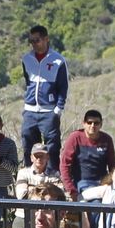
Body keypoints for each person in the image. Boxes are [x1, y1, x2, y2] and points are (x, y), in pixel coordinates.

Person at [20, 24, 68, 159]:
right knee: (27, 142)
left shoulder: (58, 60)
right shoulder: (26, 59)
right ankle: (29, 173)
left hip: (49, 111)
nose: (34, 44)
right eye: (31, 41)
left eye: (37, 40)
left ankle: (52, 174)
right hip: (30, 111)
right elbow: (28, 82)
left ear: (46, 39)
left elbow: (63, 86)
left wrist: (58, 109)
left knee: (52, 146)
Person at [59, 108, 115, 201]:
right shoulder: (75, 137)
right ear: (84, 123)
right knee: (96, 204)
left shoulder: (107, 139)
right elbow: (64, 165)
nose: (92, 126)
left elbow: (112, 166)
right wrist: (71, 189)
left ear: (101, 124)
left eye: (96, 123)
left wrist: (111, 183)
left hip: (102, 183)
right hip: (82, 183)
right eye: (89, 122)